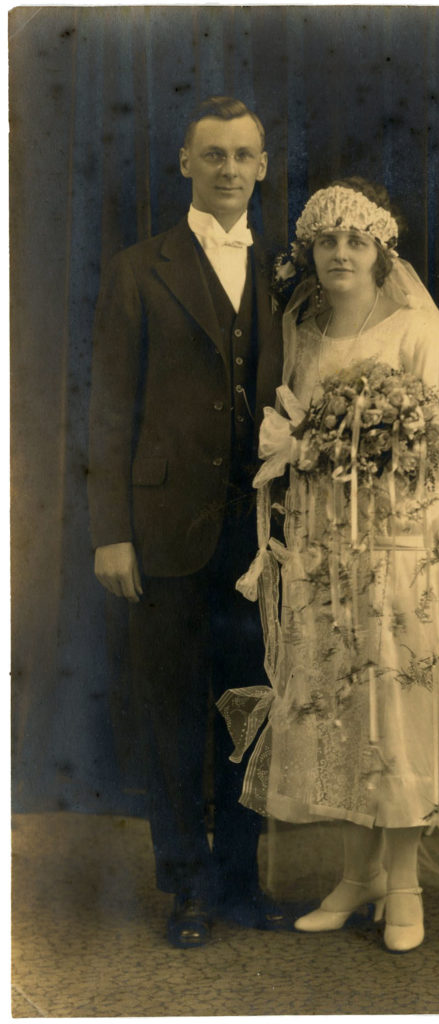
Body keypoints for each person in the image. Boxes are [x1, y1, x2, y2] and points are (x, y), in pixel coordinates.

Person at [218, 179, 439, 966]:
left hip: (398, 557)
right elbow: (286, 431)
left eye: (357, 240)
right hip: (320, 557)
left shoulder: (415, 333)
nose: (340, 253)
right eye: (327, 240)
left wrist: (362, 480)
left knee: (395, 717)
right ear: (310, 248)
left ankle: (402, 882)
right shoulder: (299, 329)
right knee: (341, 716)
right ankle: (357, 875)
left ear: (383, 250)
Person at [88, 96, 283, 948]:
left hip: (260, 536)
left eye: (243, 155)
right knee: (171, 713)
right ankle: (188, 891)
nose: (229, 169)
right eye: (213, 155)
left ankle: (241, 886)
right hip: (162, 530)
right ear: (184, 164)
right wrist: (110, 531)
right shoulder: (139, 269)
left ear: (263, 166)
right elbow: (107, 407)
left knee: (250, 709)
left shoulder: (286, 272)